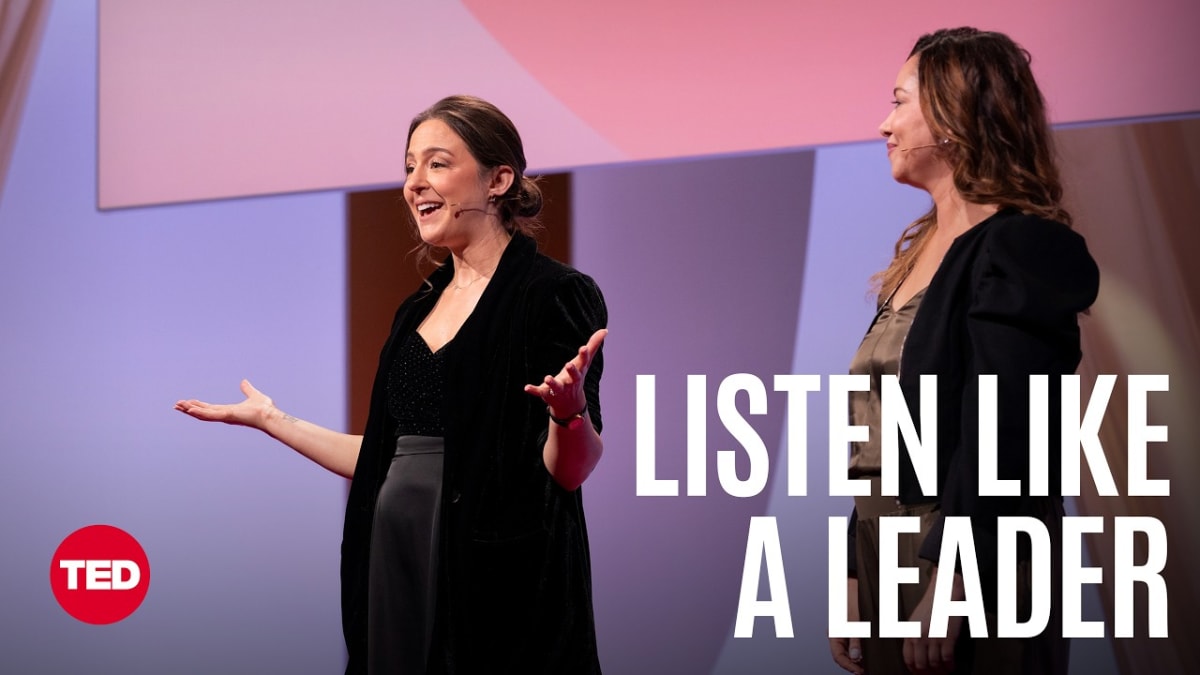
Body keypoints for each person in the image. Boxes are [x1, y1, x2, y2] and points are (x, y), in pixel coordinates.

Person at [176, 95, 608, 674]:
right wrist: (273, 421)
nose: (414, 183)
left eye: (436, 163)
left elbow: (570, 470)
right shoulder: (415, 311)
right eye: (409, 166)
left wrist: (568, 413)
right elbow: (386, 457)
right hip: (393, 558)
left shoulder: (551, 293)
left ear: (498, 179)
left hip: (492, 580)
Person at [827, 28, 1100, 675]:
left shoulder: (1019, 247)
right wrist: (853, 567)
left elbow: (1013, 432)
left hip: (973, 557)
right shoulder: (913, 260)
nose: (883, 123)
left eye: (899, 102)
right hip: (891, 554)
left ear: (952, 116)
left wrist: (955, 580)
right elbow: (883, 432)